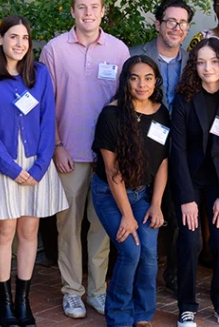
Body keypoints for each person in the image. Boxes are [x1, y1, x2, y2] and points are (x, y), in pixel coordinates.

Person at [38, 0, 130, 319]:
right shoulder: (54, 50)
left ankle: (97, 291)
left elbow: (127, 104)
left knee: (102, 226)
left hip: (108, 156)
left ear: (104, 11)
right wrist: (56, 146)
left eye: (94, 7)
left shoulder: (119, 51)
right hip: (70, 153)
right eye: (82, 7)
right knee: (68, 225)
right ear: (73, 12)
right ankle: (72, 291)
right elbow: (45, 106)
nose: (88, 13)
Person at [0, 15, 67, 326]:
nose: (20, 44)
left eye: (25, 38)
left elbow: (46, 120)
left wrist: (40, 166)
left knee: (30, 232)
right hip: (4, 164)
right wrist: (11, 168)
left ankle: (23, 300)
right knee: (4, 231)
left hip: (37, 164)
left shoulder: (39, 74)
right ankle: (4, 301)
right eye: (13, 37)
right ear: (0, 39)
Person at [170, 38, 219, 327]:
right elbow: (176, 150)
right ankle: (187, 306)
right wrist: (186, 198)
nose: (208, 67)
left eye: (214, 61)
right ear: (194, 65)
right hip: (189, 181)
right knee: (190, 242)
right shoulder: (185, 97)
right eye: (201, 62)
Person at [90, 55, 170, 327]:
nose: (141, 84)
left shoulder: (161, 112)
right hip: (111, 196)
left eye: (148, 78)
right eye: (134, 77)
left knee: (148, 252)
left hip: (144, 194)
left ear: (156, 81)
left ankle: (143, 314)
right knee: (131, 251)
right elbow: (113, 174)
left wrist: (156, 203)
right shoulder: (111, 115)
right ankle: (119, 315)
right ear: (125, 81)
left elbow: (162, 162)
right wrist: (127, 215)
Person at [131, 0, 193, 294]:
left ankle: (174, 272)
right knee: (140, 210)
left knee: (180, 211)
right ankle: (134, 274)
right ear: (158, 23)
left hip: (180, 148)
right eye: (171, 21)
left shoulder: (194, 62)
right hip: (142, 148)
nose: (176, 27)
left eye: (182, 23)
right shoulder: (135, 56)